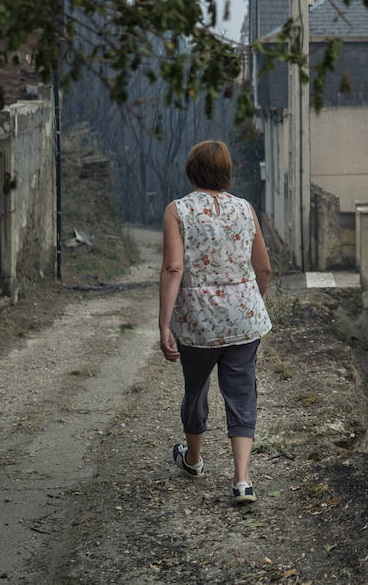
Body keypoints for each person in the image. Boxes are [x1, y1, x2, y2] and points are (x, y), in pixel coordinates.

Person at [158, 139, 273, 504]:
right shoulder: (245, 209)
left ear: (191, 170)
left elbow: (174, 267)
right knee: (241, 392)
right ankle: (242, 481)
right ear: (227, 171)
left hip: (197, 323)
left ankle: (193, 460)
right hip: (244, 318)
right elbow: (264, 268)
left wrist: (164, 324)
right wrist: (251, 304)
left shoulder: (178, 211)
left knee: (196, 389)